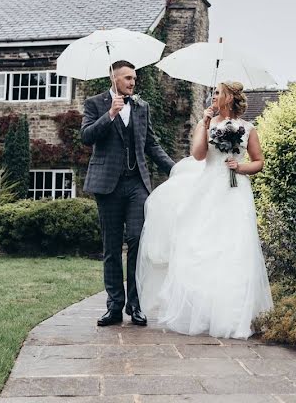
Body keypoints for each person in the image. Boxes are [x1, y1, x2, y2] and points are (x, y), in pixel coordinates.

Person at [136, 81, 273, 339]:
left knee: (233, 248)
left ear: (230, 97)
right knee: (200, 243)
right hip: (208, 189)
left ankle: (231, 315)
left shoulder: (248, 129)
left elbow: (258, 162)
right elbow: (198, 155)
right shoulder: (206, 123)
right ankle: (201, 312)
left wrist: (240, 167)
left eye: (218, 93)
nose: (214, 96)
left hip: (235, 193)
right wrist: (204, 123)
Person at [80, 60, 176, 327]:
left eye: (134, 78)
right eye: (127, 78)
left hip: (137, 184)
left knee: (137, 240)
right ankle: (114, 306)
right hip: (107, 185)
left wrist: (176, 169)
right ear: (113, 79)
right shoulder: (95, 104)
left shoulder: (142, 107)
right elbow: (86, 137)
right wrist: (109, 114)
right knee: (111, 247)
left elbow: (152, 145)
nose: (133, 82)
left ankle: (136, 305)